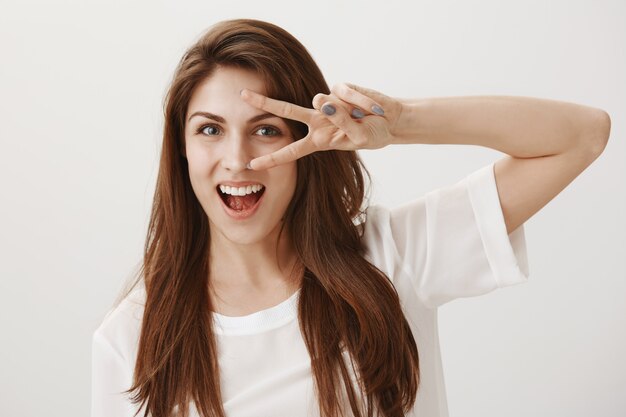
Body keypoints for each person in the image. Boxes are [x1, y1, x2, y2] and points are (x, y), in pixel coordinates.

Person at [91, 18, 611, 417]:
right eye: (209, 130)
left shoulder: (392, 258)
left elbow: (582, 135)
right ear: (180, 150)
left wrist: (400, 123)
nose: (238, 158)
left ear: (305, 141)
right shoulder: (133, 340)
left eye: (267, 129)